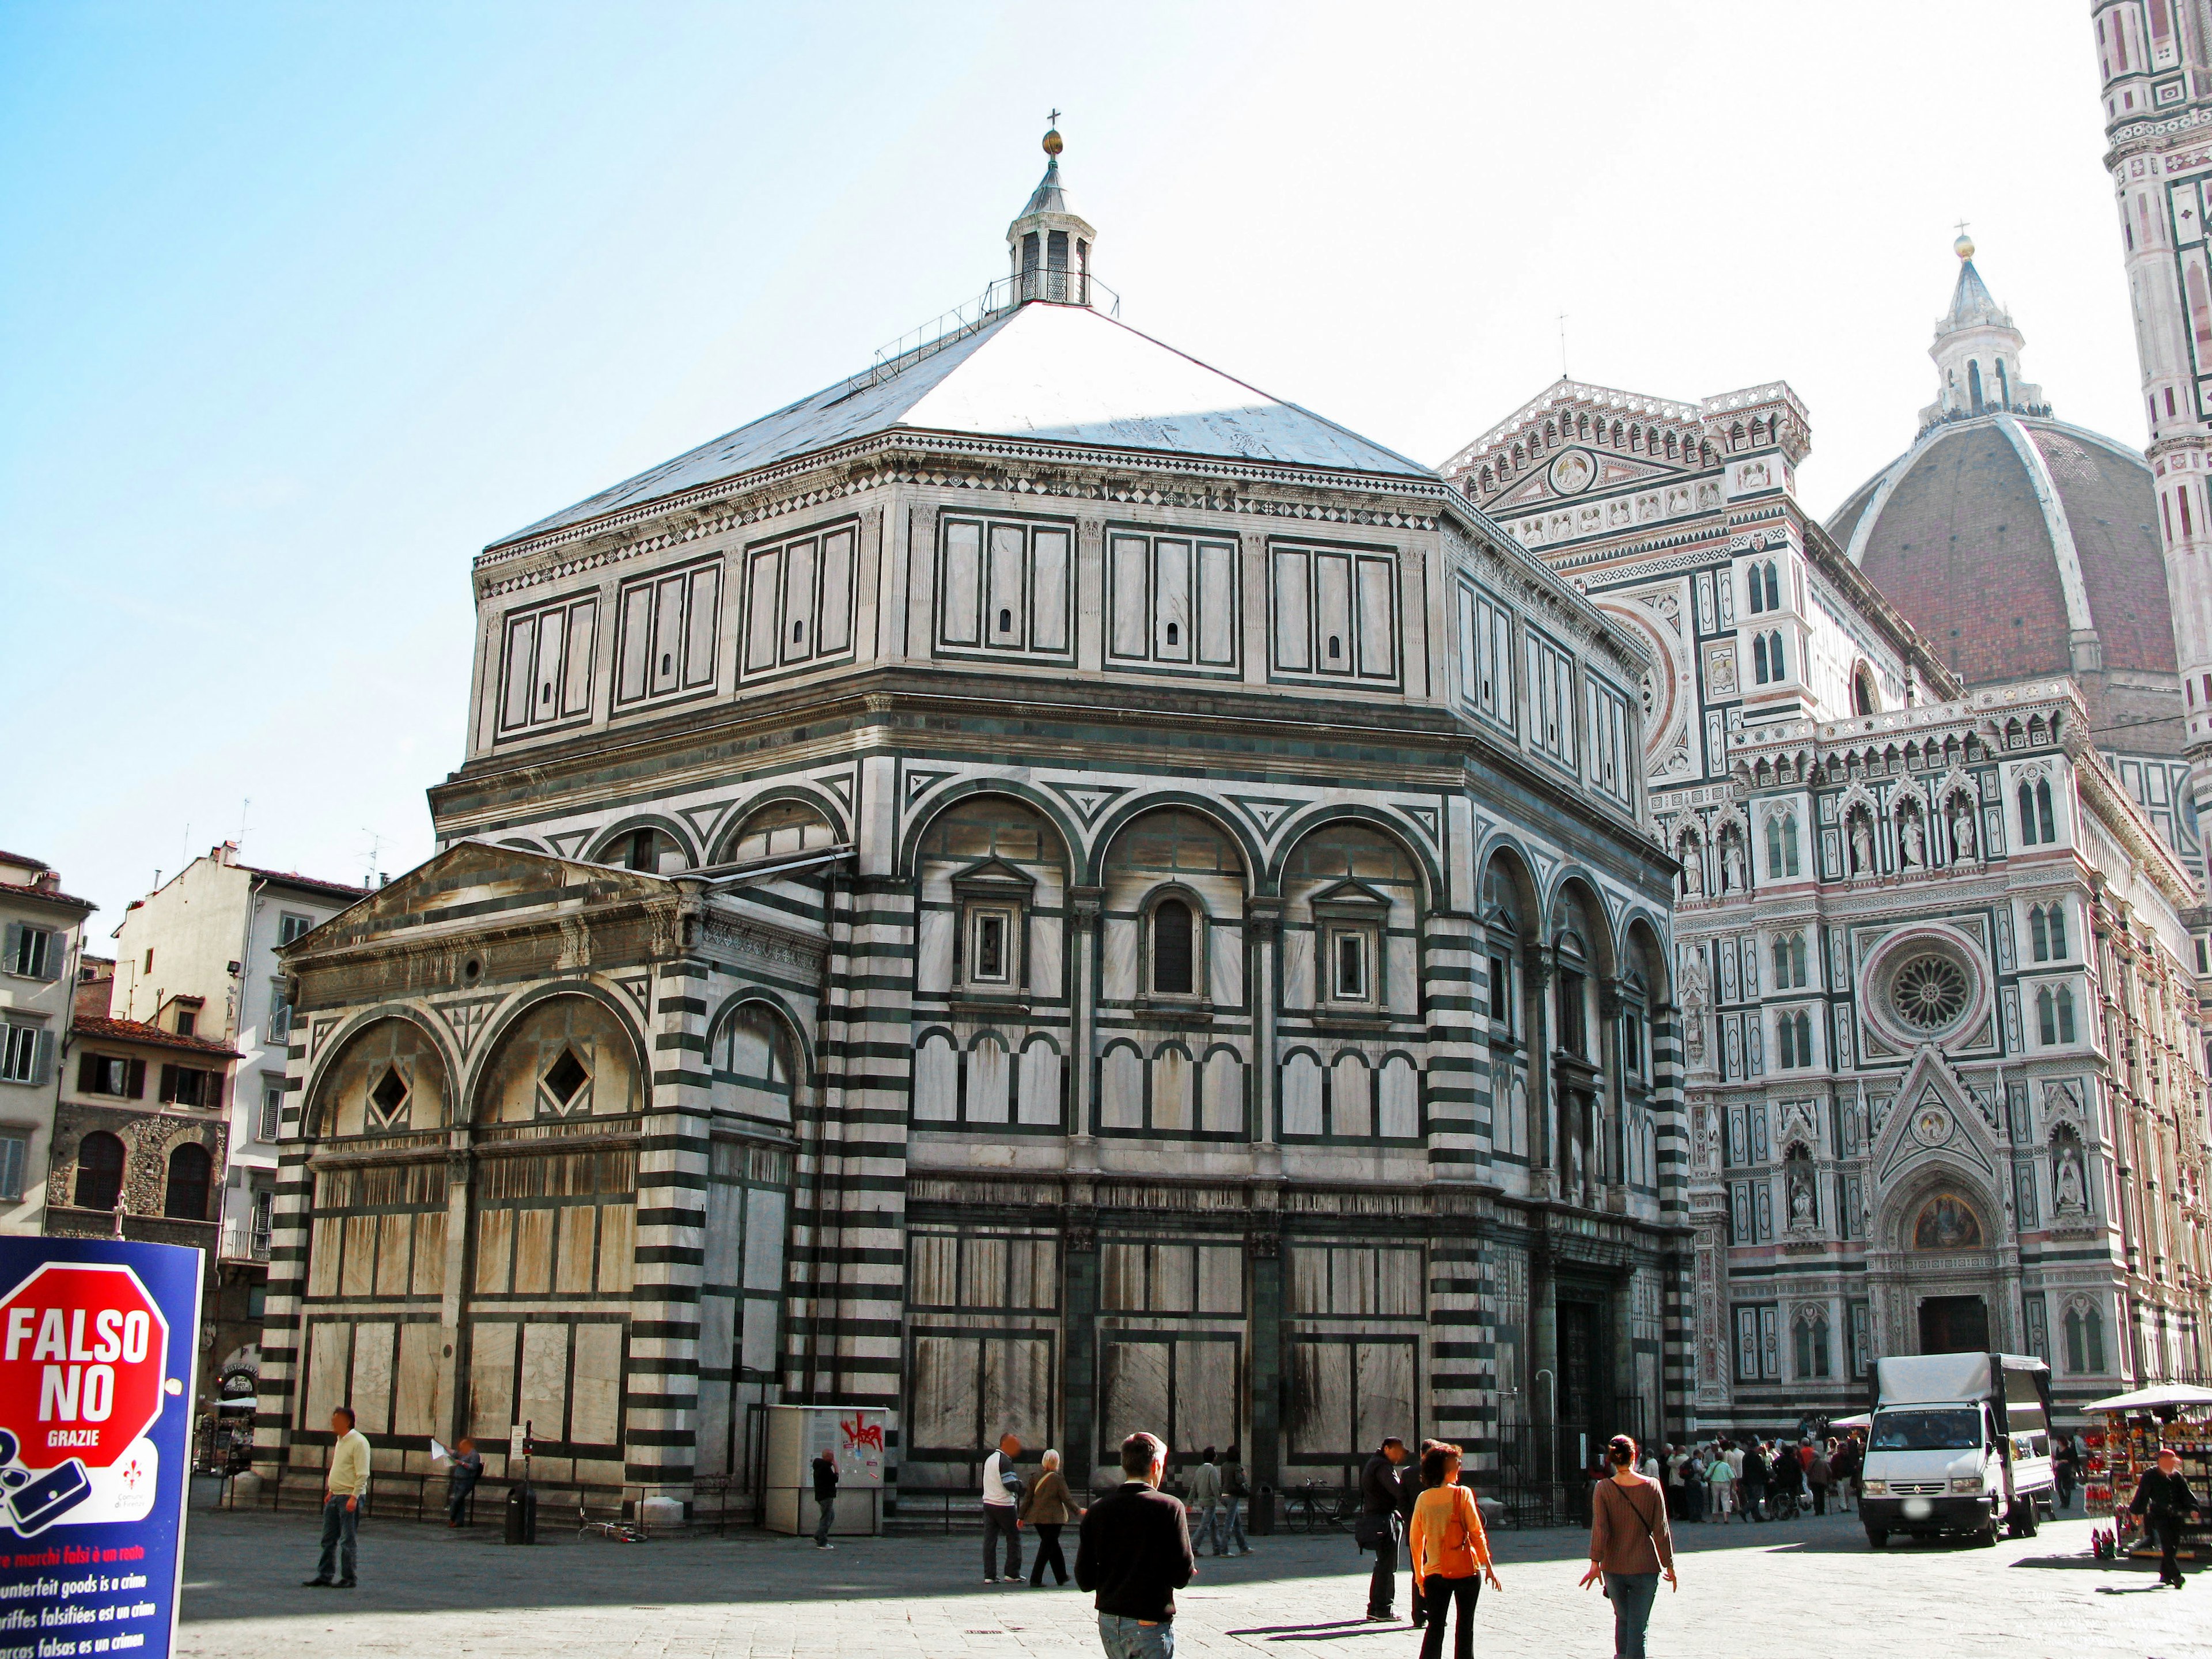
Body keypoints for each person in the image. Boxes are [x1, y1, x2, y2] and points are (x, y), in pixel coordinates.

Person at [1075, 1431, 1196, 1659]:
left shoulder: (1098, 1509)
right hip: (1149, 1618)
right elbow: (1182, 1575)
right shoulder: (1169, 1507)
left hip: (1110, 1621)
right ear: (1156, 1465)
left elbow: (1084, 1578)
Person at [1581, 1435, 1677, 1659]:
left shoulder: (1603, 1488)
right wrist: (1669, 1565)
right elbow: (1661, 1530)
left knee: (1623, 1620)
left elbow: (1600, 1529)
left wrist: (1595, 1564)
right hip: (1645, 1567)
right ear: (1635, 1457)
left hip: (1613, 1567)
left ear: (1612, 1460)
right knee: (1637, 1627)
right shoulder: (1652, 1486)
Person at [1407, 1442, 1503, 1659]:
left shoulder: (1423, 1499)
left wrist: (1420, 1575)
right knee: (1465, 1629)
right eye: (1458, 1463)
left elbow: (1415, 1540)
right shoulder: (1464, 1494)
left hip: (1434, 1573)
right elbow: (1477, 1533)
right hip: (1465, 1573)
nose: (1460, 1467)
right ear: (1447, 1468)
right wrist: (1488, 1566)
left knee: (1435, 1628)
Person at [302, 1406, 369, 1588]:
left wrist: (354, 1497)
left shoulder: (359, 1442)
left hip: (349, 1496)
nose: (333, 1423)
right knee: (328, 1539)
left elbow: (362, 1473)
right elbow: (340, 1467)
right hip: (336, 1496)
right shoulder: (340, 1441)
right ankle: (325, 1575)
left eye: (336, 1419)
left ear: (347, 1422)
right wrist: (331, 1491)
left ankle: (349, 1578)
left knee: (348, 1540)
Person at [2128, 1446, 2203, 1589]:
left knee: (2173, 1545)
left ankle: (2165, 1573)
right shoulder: (2150, 1475)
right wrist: (2136, 1512)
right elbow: (2142, 1495)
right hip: (2159, 1515)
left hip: (2176, 1515)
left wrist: (2193, 1508)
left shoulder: (2177, 1476)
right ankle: (2176, 1576)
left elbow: (2186, 1493)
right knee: (2168, 1544)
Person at [1358, 1437, 1410, 1622]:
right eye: (1397, 1451)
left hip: (1379, 1518)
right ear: (1387, 1449)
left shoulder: (1376, 1464)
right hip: (1384, 1520)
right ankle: (1383, 1609)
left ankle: (1376, 1607)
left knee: (1383, 1564)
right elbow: (1397, 1490)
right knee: (1387, 1565)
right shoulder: (1382, 1467)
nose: (1399, 1456)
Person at [1022, 1448, 1080, 1587]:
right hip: (1054, 1519)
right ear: (1057, 1462)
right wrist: (1078, 1511)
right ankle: (1035, 1579)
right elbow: (1067, 1498)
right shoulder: (1057, 1479)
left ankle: (1061, 1576)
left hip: (1037, 1518)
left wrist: (1020, 1517)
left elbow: (1028, 1499)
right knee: (1047, 1547)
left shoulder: (1035, 1477)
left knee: (1052, 1545)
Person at [980, 1433, 1025, 1584]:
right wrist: (1020, 1485)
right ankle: (1012, 1573)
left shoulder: (990, 1459)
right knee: (1013, 1538)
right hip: (1004, 1505)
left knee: (990, 1541)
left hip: (989, 1504)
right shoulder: (1005, 1461)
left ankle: (989, 1575)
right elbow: (1009, 1483)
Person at [1185, 1449, 1224, 1556]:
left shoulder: (1200, 1470)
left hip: (1202, 1501)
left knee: (1213, 1525)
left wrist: (1190, 1502)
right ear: (1214, 1457)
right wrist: (1221, 1499)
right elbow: (1215, 1487)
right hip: (1210, 1502)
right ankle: (1193, 1547)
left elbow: (1193, 1487)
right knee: (1205, 1526)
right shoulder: (1212, 1470)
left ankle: (1217, 1547)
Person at [1217, 1450, 1252, 1557]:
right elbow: (1239, 1480)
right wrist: (1244, 1475)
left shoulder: (1224, 1466)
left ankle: (1244, 1547)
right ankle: (1224, 1550)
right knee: (1229, 1524)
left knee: (1237, 1522)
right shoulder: (1236, 1466)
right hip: (1233, 1496)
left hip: (1224, 1495)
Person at [445, 1437, 482, 1528]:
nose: (461, 1448)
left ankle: (452, 1519)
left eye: (462, 1446)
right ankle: (459, 1522)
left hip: (466, 1481)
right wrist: (444, 1447)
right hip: (458, 1479)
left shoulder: (474, 1455)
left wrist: (461, 1463)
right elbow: (454, 1453)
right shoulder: (462, 1453)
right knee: (460, 1502)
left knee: (456, 1500)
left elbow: (473, 1467)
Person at [811, 1446, 839, 1548]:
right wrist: (836, 1468)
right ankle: (822, 1542)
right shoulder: (825, 1468)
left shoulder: (820, 1466)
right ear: (828, 1457)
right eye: (832, 1456)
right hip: (826, 1496)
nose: (833, 1459)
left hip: (821, 1495)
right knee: (826, 1519)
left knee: (831, 1516)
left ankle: (818, 1536)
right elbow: (835, 1479)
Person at [1737, 1440, 1768, 1522]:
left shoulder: (1746, 1456)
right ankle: (1744, 1510)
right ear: (1755, 1448)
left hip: (1746, 1480)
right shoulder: (1756, 1457)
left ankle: (1757, 1516)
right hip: (1756, 1481)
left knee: (1751, 1498)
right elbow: (1762, 1469)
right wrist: (1767, 1478)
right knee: (1757, 1498)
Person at [1705, 1444, 1734, 1522]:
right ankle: (1726, 1518)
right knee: (1725, 1500)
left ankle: (1715, 1518)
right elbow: (1732, 1476)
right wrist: (1734, 1485)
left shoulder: (1712, 1465)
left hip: (1715, 1483)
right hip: (1725, 1483)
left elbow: (1706, 1475)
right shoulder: (1726, 1465)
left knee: (1716, 1500)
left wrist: (1708, 1480)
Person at [1806, 1441, 1831, 1517]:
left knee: (1816, 1496)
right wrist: (1828, 1479)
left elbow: (1808, 1472)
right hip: (1823, 1481)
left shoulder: (1811, 1463)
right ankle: (1822, 1510)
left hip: (1814, 1482)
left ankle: (1817, 1510)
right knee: (1822, 1496)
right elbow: (1829, 1472)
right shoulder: (1824, 1462)